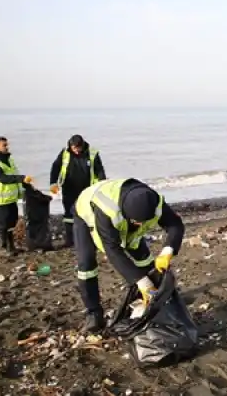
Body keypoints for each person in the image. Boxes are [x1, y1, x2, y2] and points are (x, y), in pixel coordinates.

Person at [73, 178, 185, 332]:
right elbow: (112, 249)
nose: (140, 225)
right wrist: (141, 281)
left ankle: (159, 298)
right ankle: (93, 313)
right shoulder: (107, 211)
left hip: (123, 214)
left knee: (143, 256)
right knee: (86, 264)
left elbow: (175, 225)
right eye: (136, 222)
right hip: (87, 211)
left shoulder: (153, 201)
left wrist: (167, 251)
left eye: (142, 222)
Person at [50, 135, 107, 247]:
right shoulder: (65, 153)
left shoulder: (92, 153)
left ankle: (89, 239)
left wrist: (102, 185)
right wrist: (53, 182)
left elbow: (99, 170)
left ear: (82, 145)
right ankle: (70, 240)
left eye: (78, 148)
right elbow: (56, 166)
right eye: (73, 148)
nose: (76, 150)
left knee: (88, 213)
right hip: (69, 188)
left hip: (87, 189)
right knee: (68, 215)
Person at [0, 136, 33, 255]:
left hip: (10, 198)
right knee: (4, 224)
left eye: (7, 145)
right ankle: (3, 247)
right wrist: (21, 178)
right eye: (4, 145)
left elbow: (12, 174)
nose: (7, 147)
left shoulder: (8, 159)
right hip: (0, 199)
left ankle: (11, 247)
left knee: (12, 222)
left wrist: (23, 183)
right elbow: (2, 178)